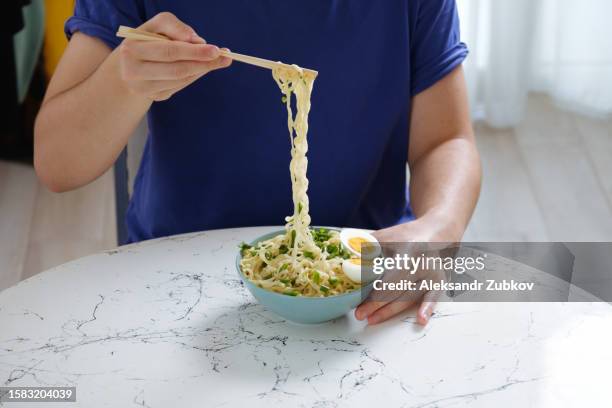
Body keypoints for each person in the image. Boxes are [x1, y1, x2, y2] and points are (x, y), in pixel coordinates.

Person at [34, 0, 481, 326]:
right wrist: (121, 82)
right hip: (176, 270)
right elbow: (58, 163)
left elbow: (447, 138)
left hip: (363, 279)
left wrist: (440, 227)